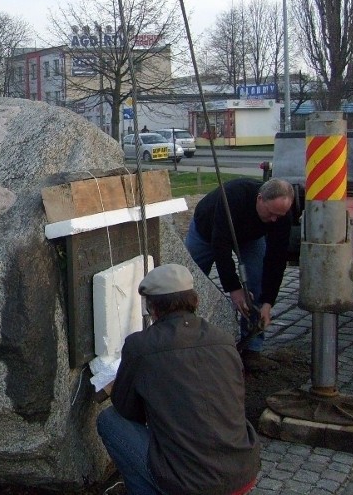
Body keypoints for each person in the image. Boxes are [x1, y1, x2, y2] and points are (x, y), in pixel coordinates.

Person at [96, 264, 260, 495]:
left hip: (190, 485)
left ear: (152, 308)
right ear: (195, 300)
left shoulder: (140, 346)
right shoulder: (222, 339)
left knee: (110, 420)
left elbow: (126, 411)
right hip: (242, 471)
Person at [184, 178, 294, 371]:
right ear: (260, 199)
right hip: (207, 232)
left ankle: (252, 349)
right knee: (185, 283)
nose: (275, 220)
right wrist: (234, 289)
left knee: (258, 279)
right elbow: (221, 247)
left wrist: (268, 303)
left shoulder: (281, 215)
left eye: (280, 215)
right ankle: (183, 342)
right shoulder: (233, 197)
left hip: (250, 237)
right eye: (271, 213)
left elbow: (276, 259)